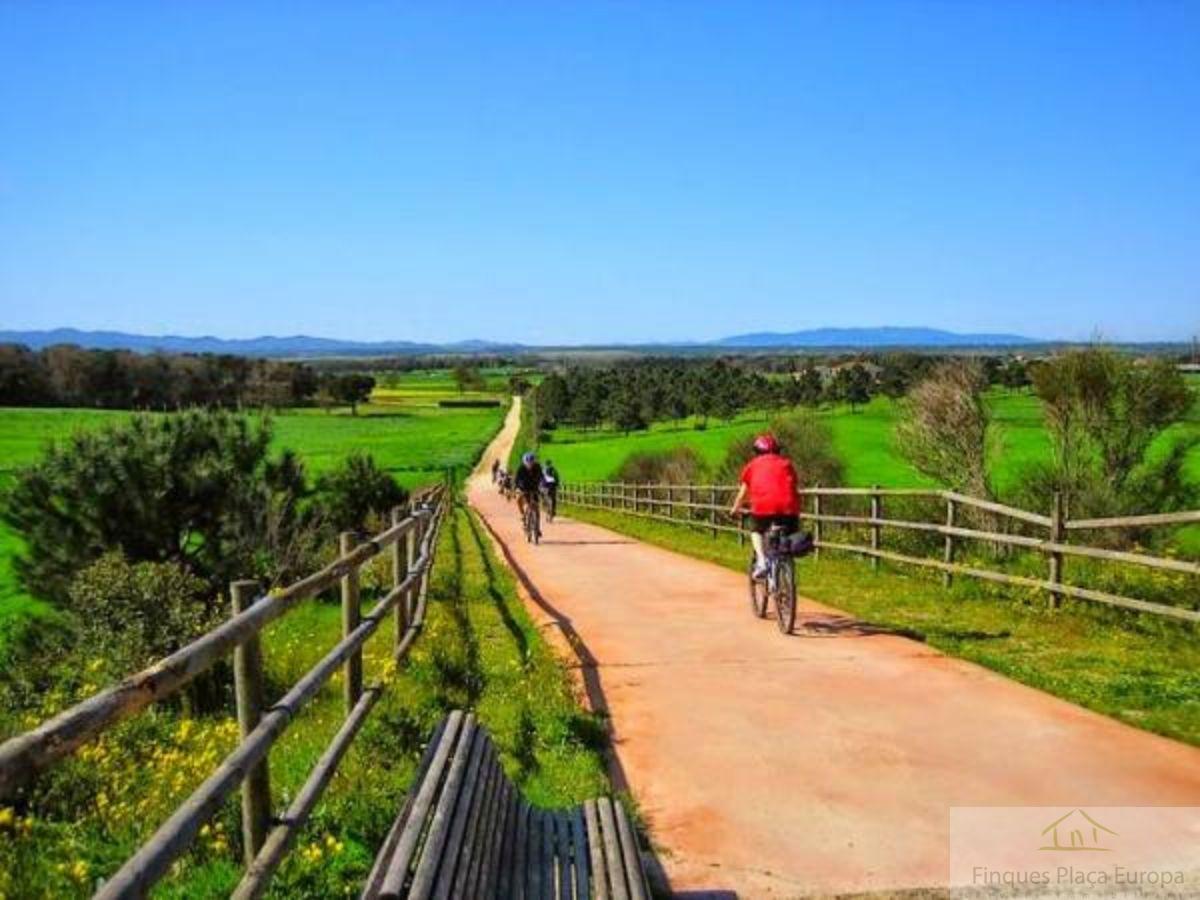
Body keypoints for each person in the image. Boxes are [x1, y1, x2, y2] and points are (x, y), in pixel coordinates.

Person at [729, 434, 801, 579]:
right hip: (789, 509)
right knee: (787, 537)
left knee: (756, 530)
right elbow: (793, 486)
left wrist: (734, 509)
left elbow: (742, 493)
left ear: (756, 452)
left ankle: (762, 561)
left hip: (763, 508)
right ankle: (785, 566)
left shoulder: (752, 466)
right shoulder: (787, 464)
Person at [513, 451, 544, 532]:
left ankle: (537, 527)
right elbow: (516, 480)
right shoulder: (521, 468)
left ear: (534, 462)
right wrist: (516, 488)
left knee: (536, 507)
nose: (529, 465)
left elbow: (542, 477)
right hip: (524, 488)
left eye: (531, 462)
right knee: (519, 499)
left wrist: (543, 486)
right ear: (524, 462)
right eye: (528, 463)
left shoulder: (537, 467)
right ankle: (523, 515)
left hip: (534, 488)